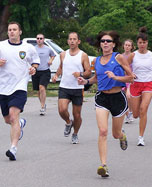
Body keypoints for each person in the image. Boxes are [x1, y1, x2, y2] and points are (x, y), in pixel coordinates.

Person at [78, 31, 134, 178]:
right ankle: (103, 165)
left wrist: (116, 77)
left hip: (117, 98)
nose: (105, 43)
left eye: (108, 41)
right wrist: (86, 82)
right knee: (103, 131)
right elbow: (96, 77)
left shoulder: (119, 57)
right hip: (102, 97)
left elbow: (131, 78)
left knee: (115, 134)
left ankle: (122, 136)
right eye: (103, 41)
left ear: (114, 44)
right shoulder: (96, 60)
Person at [0, 21, 40, 161]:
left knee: (13, 116)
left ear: (20, 32)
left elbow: (35, 60)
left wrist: (34, 68)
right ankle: (20, 125)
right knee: (7, 119)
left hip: (20, 86)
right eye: (10, 30)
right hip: (3, 87)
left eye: (15, 29)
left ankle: (13, 149)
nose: (12, 32)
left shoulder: (28, 48)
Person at [127, 26, 152, 146]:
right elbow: (125, 67)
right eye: (139, 43)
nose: (142, 45)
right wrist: (130, 73)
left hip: (148, 83)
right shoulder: (133, 55)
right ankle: (135, 115)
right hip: (136, 85)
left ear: (147, 43)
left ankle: (141, 137)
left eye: (144, 42)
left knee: (143, 110)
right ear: (136, 44)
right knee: (137, 114)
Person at [52, 32, 91, 144]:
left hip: (77, 88)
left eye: (74, 39)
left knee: (77, 114)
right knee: (62, 110)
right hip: (64, 86)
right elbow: (60, 67)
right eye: (70, 39)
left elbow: (88, 72)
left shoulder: (83, 55)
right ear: (68, 41)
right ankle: (68, 122)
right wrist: (56, 75)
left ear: (78, 41)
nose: (72, 41)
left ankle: (75, 134)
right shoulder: (63, 54)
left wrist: (80, 74)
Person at [32, 34, 56, 115]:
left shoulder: (48, 49)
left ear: (43, 39)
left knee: (42, 87)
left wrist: (51, 60)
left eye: (41, 38)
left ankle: (42, 107)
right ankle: (43, 103)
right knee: (38, 91)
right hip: (36, 71)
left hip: (45, 71)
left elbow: (53, 55)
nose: (39, 40)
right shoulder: (33, 49)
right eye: (38, 38)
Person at [122, 39, 135, 123]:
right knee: (124, 98)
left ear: (131, 47)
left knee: (129, 96)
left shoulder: (133, 56)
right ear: (123, 46)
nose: (127, 47)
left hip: (130, 78)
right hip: (122, 78)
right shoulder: (120, 56)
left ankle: (130, 112)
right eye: (126, 45)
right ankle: (127, 115)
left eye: (129, 45)